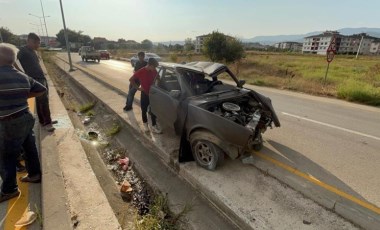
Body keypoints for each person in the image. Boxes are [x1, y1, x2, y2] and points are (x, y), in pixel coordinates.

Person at [0, 43, 45, 203]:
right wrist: (23, 95)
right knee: (29, 148)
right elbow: (41, 89)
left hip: (8, 122)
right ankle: (34, 174)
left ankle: (9, 190)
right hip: (25, 116)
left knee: (6, 156)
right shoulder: (22, 76)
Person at [17, 32, 56, 132]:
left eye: (38, 43)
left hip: (41, 78)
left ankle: (43, 121)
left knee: (42, 101)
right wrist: (21, 74)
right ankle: (48, 123)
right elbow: (12, 61)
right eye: (36, 43)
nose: (38, 45)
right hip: (35, 79)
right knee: (43, 101)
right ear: (29, 41)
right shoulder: (23, 51)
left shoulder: (33, 51)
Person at [129, 58, 162, 134]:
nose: (154, 69)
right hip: (144, 94)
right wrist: (138, 88)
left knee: (153, 110)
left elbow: (158, 78)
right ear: (149, 65)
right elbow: (131, 79)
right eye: (154, 67)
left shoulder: (154, 70)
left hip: (152, 93)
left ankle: (154, 126)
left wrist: (157, 82)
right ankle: (145, 125)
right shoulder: (141, 71)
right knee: (144, 110)